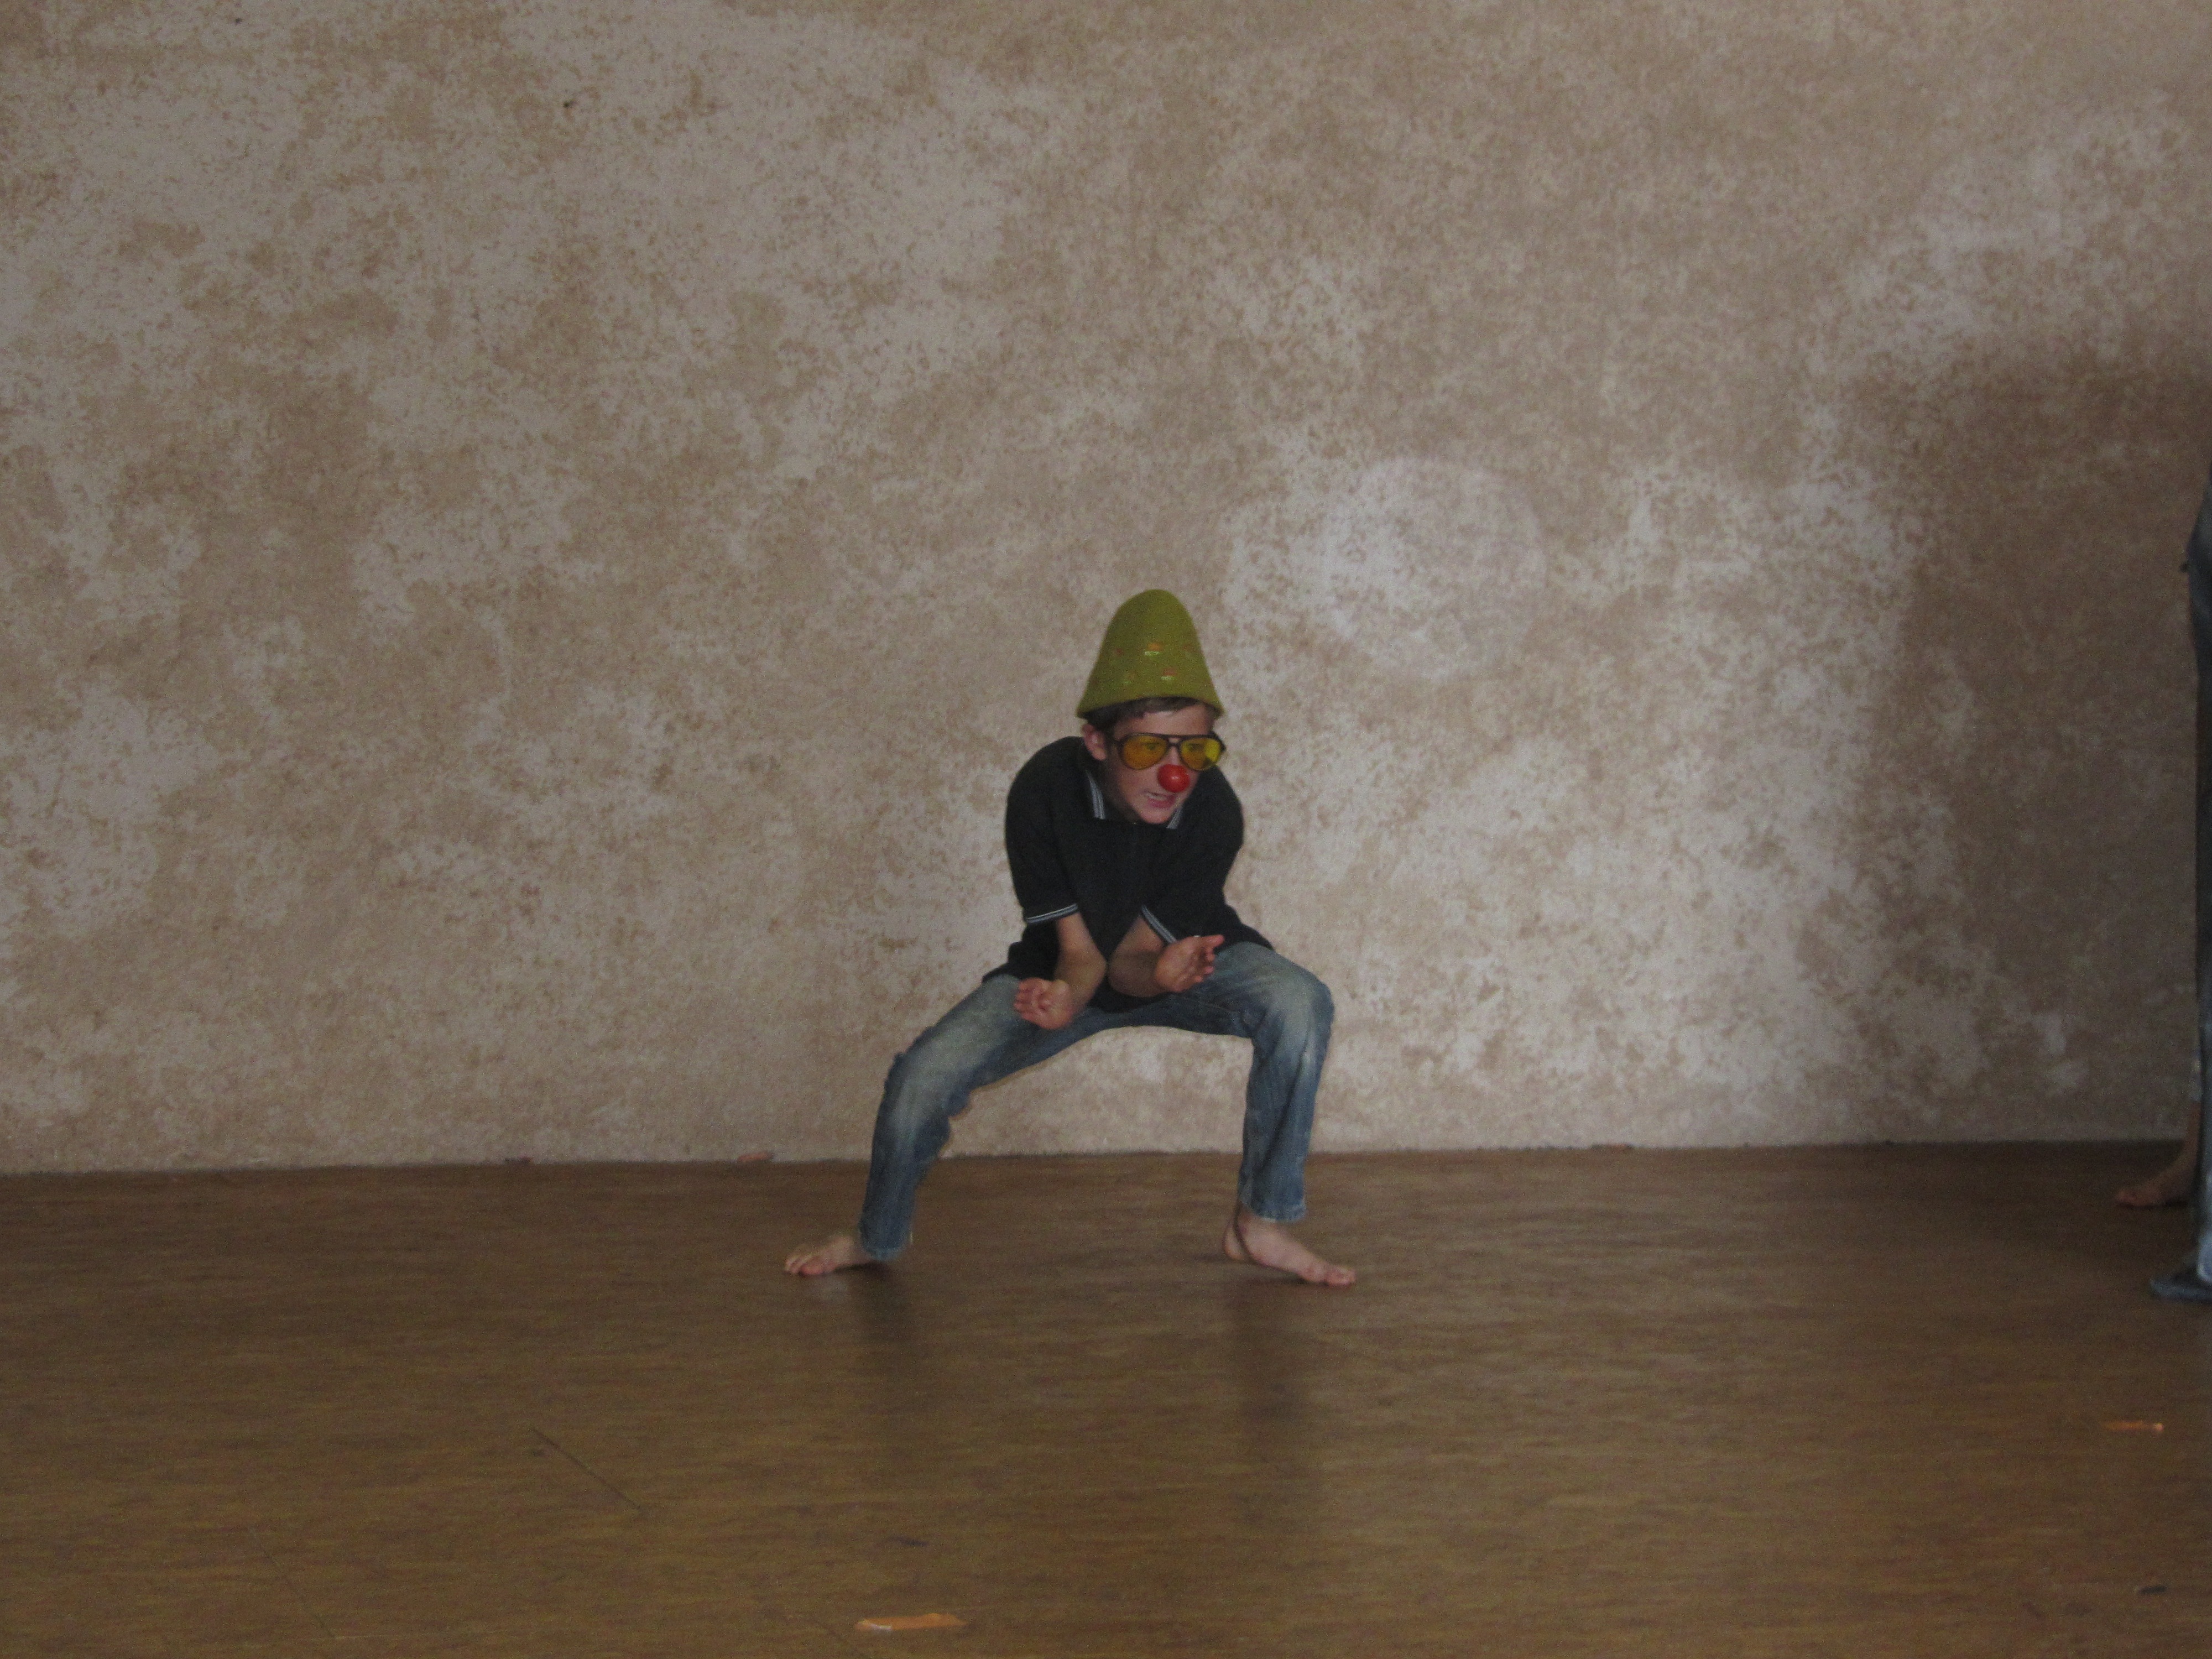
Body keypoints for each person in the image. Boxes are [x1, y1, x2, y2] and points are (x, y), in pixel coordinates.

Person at [785, 590, 1354, 1285]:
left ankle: (1258, 1223)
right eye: (1146, 747)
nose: (1174, 774)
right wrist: (1063, 997)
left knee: (1299, 1002)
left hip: (1177, 960)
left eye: (1194, 749)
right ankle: (875, 1237)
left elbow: (1135, 962)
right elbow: (1086, 959)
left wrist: (1165, 975)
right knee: (921, 1078)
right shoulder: (1045, 789)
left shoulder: (1213, 811)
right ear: (1096, 742)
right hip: (1067, 966)